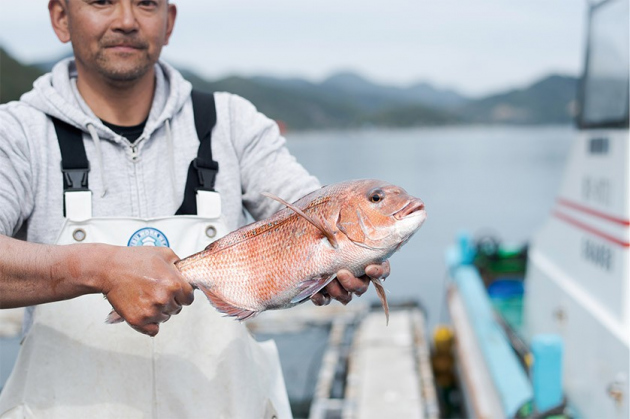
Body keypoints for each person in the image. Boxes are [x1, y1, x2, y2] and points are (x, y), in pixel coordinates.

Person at [0, 0, 390, 417]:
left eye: (147, 4)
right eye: (102, 1)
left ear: (169, 22)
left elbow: (303, 206)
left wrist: (343, 251)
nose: (127, 21)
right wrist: (98, 267)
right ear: (61, 18)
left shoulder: (231, 122)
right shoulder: (17, 134)